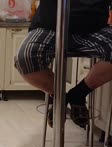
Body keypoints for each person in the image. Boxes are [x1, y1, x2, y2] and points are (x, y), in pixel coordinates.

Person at [15, 0, 112, 128]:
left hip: (94, 29)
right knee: (25, 57)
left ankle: (78, 94)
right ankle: (60, 97)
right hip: (48, 26)